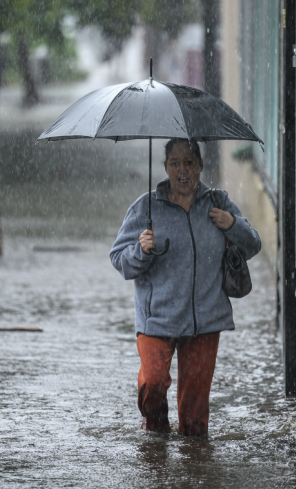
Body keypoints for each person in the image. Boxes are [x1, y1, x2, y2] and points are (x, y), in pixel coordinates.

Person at [110, 138, 261, 436]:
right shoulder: (146, 208)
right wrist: (141, 251)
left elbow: (253, 244)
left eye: (190, 163)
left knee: (194, 421)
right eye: (175, 163)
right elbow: (119, 259)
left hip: (205, 320)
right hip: (157, 320)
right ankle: (155, 440)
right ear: (165, 167)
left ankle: (194, 471)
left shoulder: (218, 202)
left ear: (201, 166)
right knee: (153, 384)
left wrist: (232, 223)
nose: (183, 171)